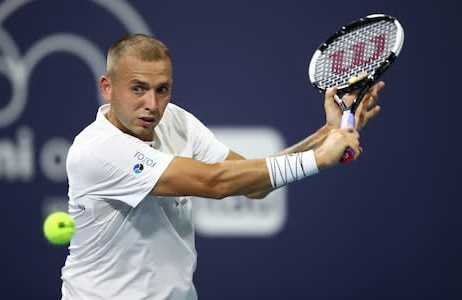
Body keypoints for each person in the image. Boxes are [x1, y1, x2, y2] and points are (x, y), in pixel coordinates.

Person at [60, 33, 384, 300]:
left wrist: (326, 133)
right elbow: (214, 183)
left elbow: (252, 183)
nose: (152, 104)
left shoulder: (177, 121)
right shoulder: (97, 150)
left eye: (162, 90)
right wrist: (318, 158)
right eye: (138, 89)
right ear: (107, 87)